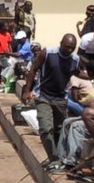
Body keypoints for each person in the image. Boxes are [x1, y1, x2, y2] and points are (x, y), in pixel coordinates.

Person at [21, 34, 79, 169]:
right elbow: (33, 69)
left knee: (59, 130)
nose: (69, 50)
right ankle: (53, 158)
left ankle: (58, 158)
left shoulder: (75, 59)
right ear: (61, 43)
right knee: (46, 129)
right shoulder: (47, 53)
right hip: (43, 96)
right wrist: (26, 90)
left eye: (72, 48)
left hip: (61, 99)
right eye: (66, 47)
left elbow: (77, 73)